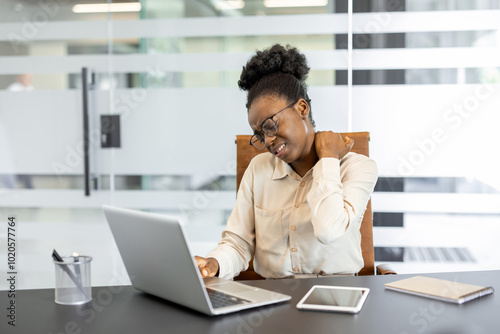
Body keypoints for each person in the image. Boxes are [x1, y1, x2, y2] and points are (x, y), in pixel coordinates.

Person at [196, 44, 378, 279]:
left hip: (337, 296)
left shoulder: (358, 168)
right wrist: (213, 264)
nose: (268, 141)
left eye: (270, 125)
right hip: (273, 298)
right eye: (260, 135)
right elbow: (238, 244)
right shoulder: (258, 170)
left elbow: (328, 230)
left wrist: (328, 157)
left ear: (302, 108)